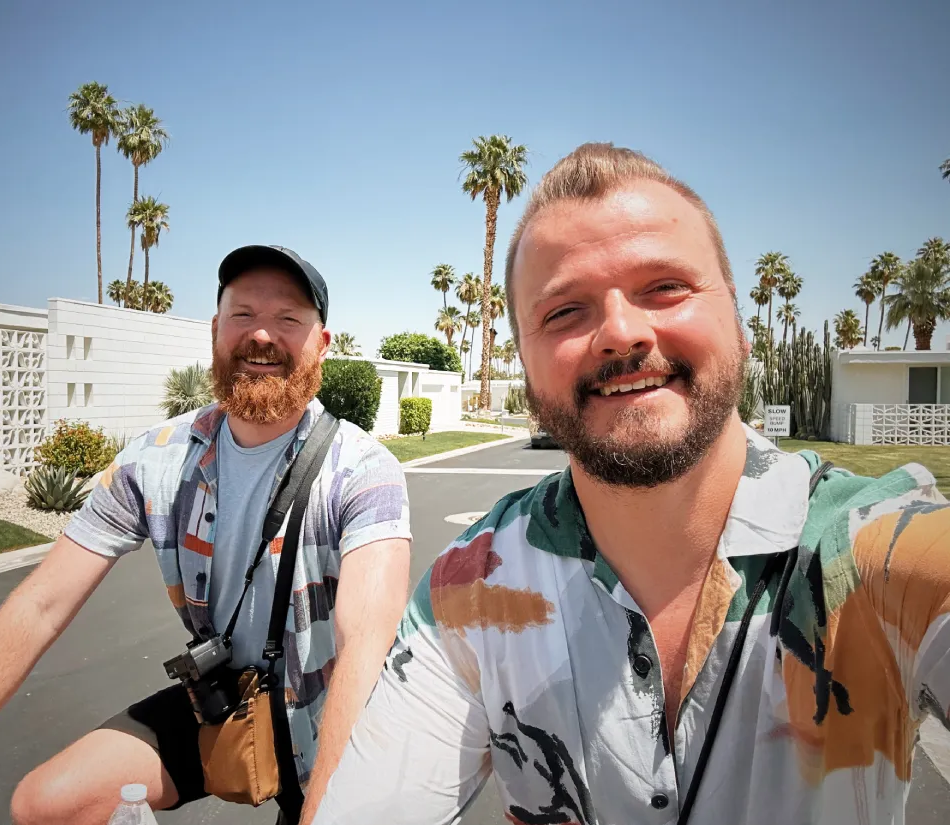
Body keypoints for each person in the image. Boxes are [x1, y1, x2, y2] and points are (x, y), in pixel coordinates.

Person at [315, 144, 950, 825]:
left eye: (665, 287)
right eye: (564, 312)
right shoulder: (467, 594)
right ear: (524, 362)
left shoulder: (880, 548)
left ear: (735, 317)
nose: (620, 332)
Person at [0, 245, 412, 825]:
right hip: (230, 702)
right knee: (48, 804)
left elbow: (365, 642)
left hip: (333, 713)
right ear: (216, 330)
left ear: (322, 345)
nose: (262, 335)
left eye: (288, 319)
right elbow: (41, 605)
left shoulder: (363, 472)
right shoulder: (156, 461)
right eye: (243, 314)